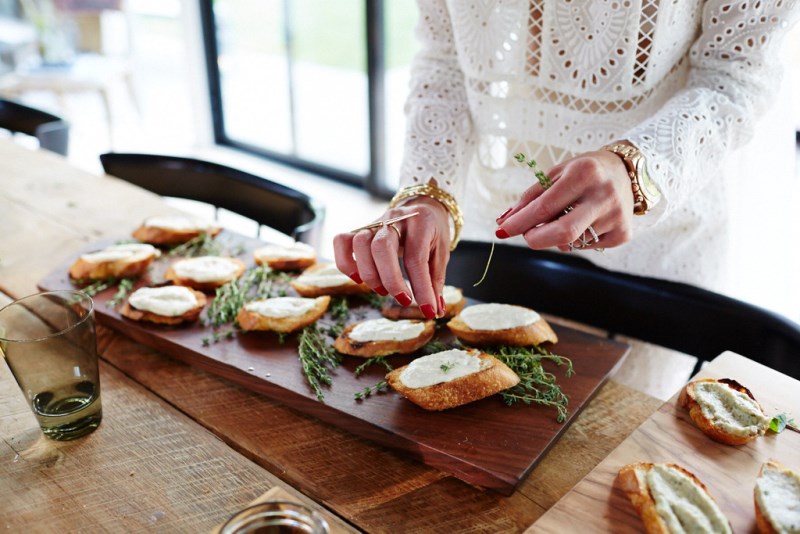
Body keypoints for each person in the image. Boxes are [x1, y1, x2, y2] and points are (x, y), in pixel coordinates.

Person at [334, 0, 800, 320]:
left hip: (656, 253)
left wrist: (637, 168)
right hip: (490, 233)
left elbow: (733, 77)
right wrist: (428, 190)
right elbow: (444, 56)